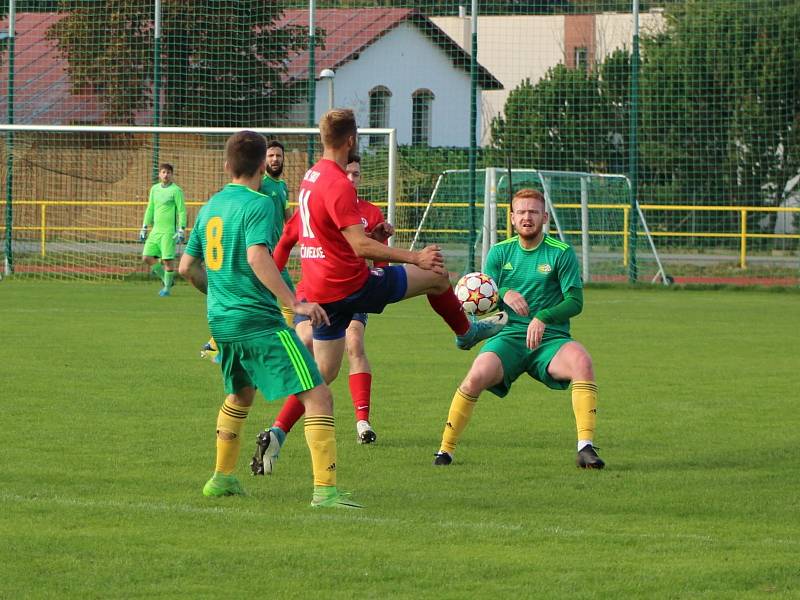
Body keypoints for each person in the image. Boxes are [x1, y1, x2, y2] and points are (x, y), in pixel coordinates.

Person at [250, 108, 507, 476]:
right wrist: (413, 255)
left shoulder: (311, 176)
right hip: (351, 285)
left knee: (322, 373)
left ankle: (276, 433)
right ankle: (466, 332)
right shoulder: (337, 183)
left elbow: (333, 237)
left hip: (323, 291)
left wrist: (369, 239)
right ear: (352, 140)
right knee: (435, 273)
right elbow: (358, 248)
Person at [179, 130, 363, 508]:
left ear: (227, 165)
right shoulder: (261, 203)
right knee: (318, 393)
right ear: (264, 165)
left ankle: (222, 478)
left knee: (241, 393)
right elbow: (257, 257)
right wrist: (295, 302)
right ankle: (325, 491)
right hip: (258, 321)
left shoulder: (212, 205)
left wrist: (218, 295)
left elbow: (186, 267)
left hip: (222, 322)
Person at [432, 188, 605, 470]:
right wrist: (504, 293)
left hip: (550, 339)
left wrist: (544, 317)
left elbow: (576, 301)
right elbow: (485, 302)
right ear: (512, 218)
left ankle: (585, 448)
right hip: (507, 337)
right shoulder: (499, 253)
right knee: (475, 376)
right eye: (521, 212)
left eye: (533, 212)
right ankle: (445, 450)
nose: (527, 217)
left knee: (582, 362)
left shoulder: (560, 253)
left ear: (544, 217)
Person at [251, 156, 390, 474]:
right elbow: (285, 242)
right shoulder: (313, 205)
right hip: (317, 296)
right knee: (312, 357)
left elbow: (379, 261)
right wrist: (274, 282)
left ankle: (362, 422)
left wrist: (381, 257)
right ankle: (278, 432)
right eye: (347, 173)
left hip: (354, 294)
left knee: (353, 342)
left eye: (357, 174)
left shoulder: (369, 213)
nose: (352, 179)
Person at [199, 140, 295, 362]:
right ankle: (281, 343)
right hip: (261, 252)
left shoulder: (281, 186)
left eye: (278, 156)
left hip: (274, 251)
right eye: (270, 156)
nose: (275, 159)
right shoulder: (260, 185)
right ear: (263, 162)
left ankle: (216, 343)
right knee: (288, 298)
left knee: (255, 303)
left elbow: (288, 217)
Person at [139, 163, 187, 297]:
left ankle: (167, 288)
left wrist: (181, 229)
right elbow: (150, 208)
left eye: (168, 173)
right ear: (159, 174)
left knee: (167, 260)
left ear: (172, 175)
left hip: (168, 232)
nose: (166, 175)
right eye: (163, 172)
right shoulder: (154, 189)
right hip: (155, 231)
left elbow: (182, 211)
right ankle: (166, 280)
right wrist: (144, 227)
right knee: (146, 257)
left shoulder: (176, 191)